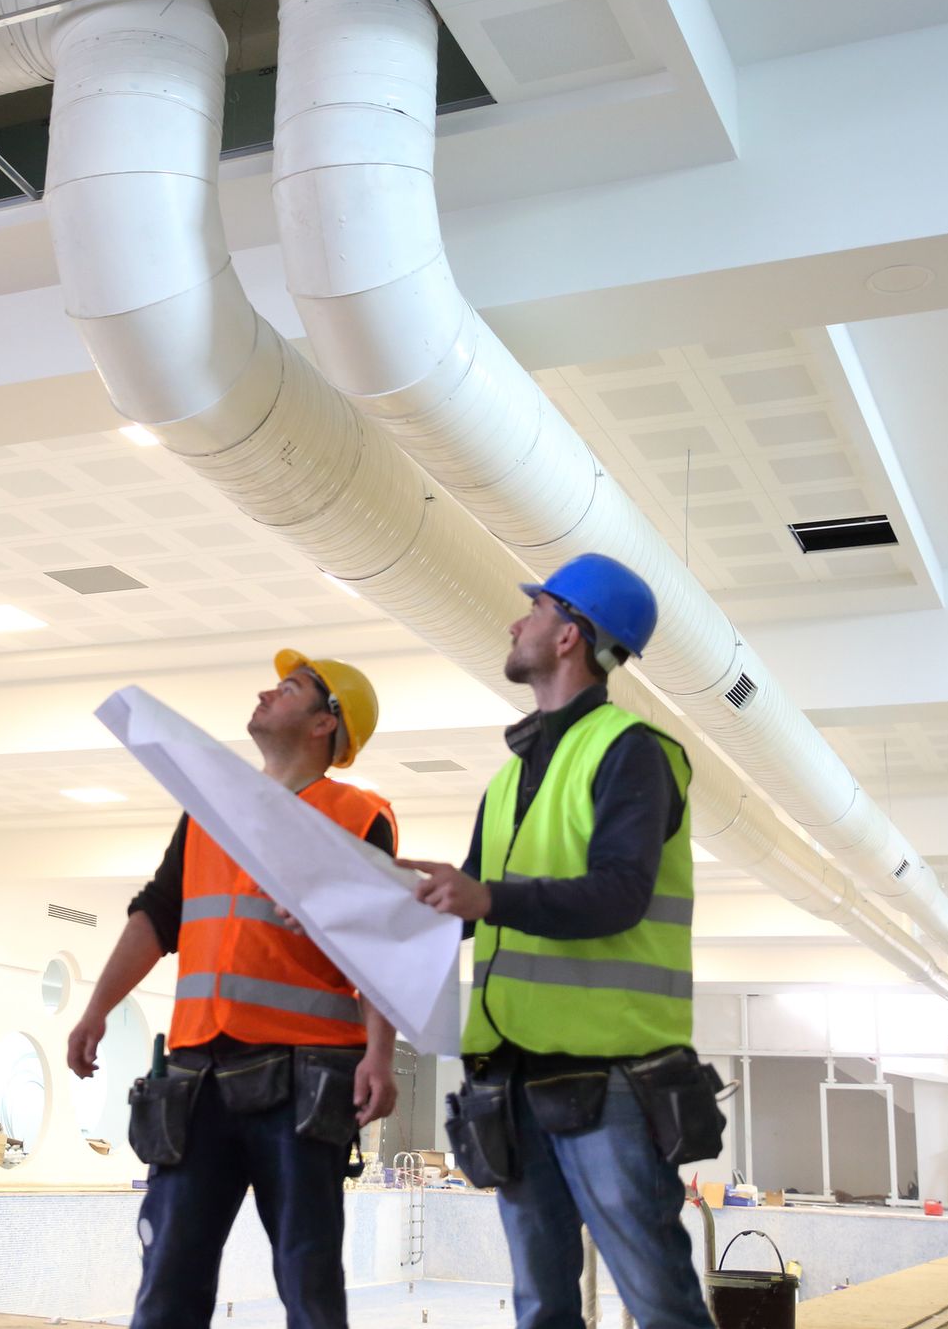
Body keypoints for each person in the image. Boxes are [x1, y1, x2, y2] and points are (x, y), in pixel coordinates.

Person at [404, 554, 719, 1329]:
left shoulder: (633, 751)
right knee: (541, 1304)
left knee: (660, 1301)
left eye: (534, 609)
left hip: (609, 1075)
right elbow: (471, 904)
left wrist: (486, 895)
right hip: (510, 1073)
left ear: (570, 635)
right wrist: (361, 902)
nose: (516, 623)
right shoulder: (509, 777)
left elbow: (620, 893)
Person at [68, 650, 400, 1329]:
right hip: (196, 1079)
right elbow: (158, 913)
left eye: (288, 687)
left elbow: (380, 945)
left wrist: (380, 1055)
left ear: (324, 724)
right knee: (167, 1285)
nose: (264, 692)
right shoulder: (208, 807)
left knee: (309, 1287)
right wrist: (98, 1006)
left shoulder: (358, 815)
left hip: (302, 1083)